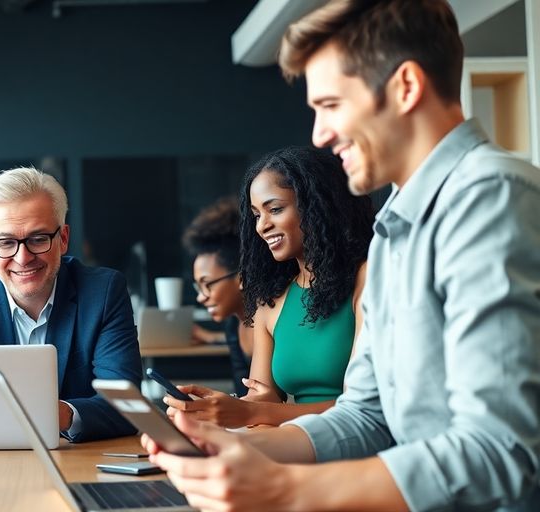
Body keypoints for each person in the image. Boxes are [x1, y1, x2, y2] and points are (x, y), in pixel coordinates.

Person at [145, 1, 540, 510]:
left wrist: (286, 489)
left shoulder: (492, 199)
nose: (320, 134)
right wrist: (232, 446)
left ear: (405, 87)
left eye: (330, 104)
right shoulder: (397, 229)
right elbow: (367, 418)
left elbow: (500, 452)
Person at [167, 146, 373, 428]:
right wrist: (212, 408)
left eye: (274, 209)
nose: (262, 226)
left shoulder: (367, 278)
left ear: (317, 205)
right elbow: (261, 403)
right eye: (255, 215)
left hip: (353, 448)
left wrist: (253, 413)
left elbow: (361, 409)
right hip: (292, 445)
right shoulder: (271, 301)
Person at [0, 167, 141, 443]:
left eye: (38, 239)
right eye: (6, 242)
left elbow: (128, 408)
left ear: (63, 239)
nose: (22, 258)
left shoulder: (102, 292)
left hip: (76, 463)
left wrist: (55, 413)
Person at [181, 197, 252, 396]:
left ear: (241, 276)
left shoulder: (274, 320)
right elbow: (244, 398)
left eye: (208, 284)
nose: (201, 298)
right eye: (198, 286)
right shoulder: (233, 326)